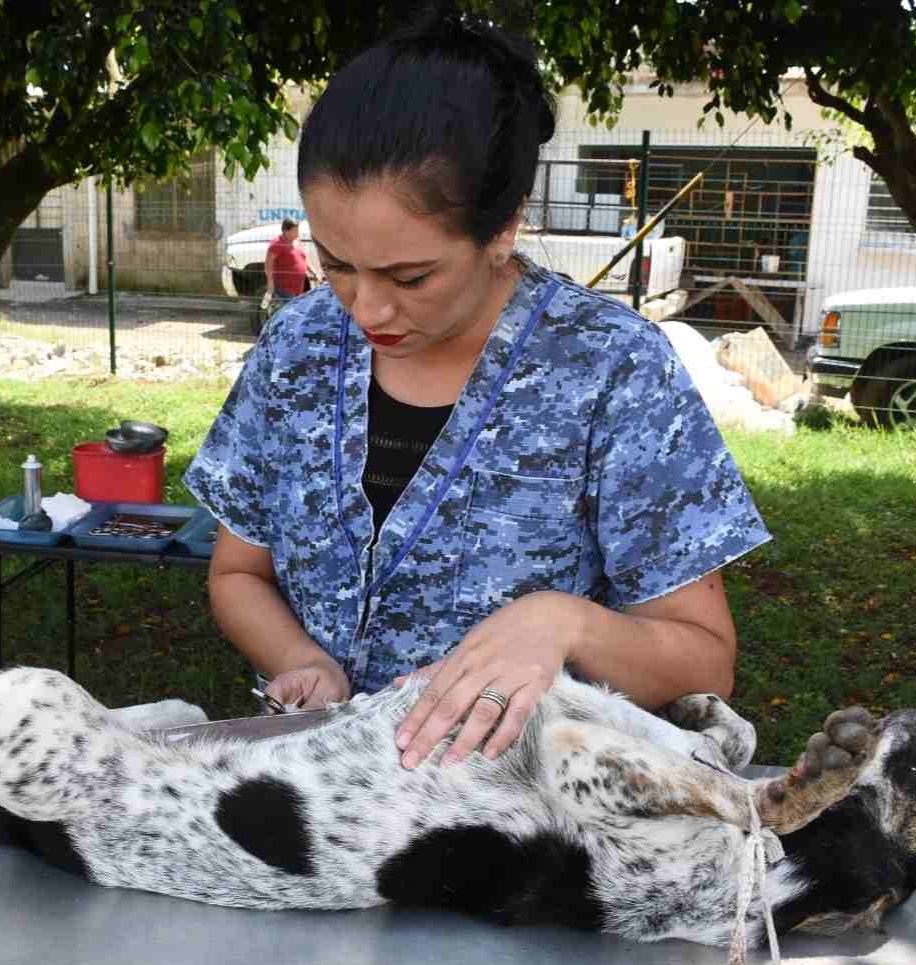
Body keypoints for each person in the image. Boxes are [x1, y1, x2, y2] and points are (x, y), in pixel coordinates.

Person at [184, 12, 771, 771]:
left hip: (518, 837)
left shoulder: (610, 368)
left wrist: (561, 624)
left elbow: (703, 661)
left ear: (505, 227)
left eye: (411, 276)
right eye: (336, 264)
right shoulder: (296, 347)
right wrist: (301, 659)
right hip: (313, 807)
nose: (365, 309)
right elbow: (238, 572)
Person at [264, 217, 312, 302]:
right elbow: (268, 265)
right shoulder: (276, 244)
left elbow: (302, 259)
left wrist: (314, 272)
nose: (297, 233)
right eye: (295, 231)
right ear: (286, 231)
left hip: (298, 288)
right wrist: (270, 284)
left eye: (298, 230)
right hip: (284, 289)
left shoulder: (296, 241)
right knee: (289, 312)